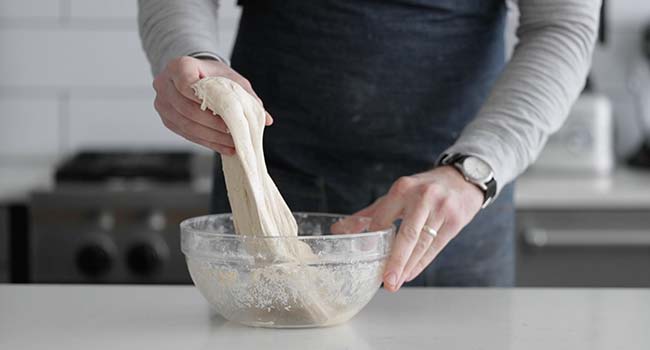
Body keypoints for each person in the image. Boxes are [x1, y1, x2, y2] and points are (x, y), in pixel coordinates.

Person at [138, 0, 601, 291]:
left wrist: (474, 169)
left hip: (451, 208)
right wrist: (195, 62)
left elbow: (562, 25)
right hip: (274, 192)